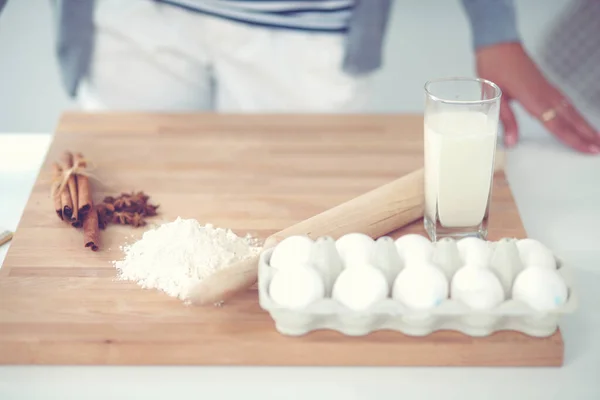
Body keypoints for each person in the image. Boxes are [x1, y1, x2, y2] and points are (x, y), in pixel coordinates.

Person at [4, 0, 599, 153]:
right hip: (130, 19)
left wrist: (493, 25)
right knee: (122, 195)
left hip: (307, 26)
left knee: (299, 226)